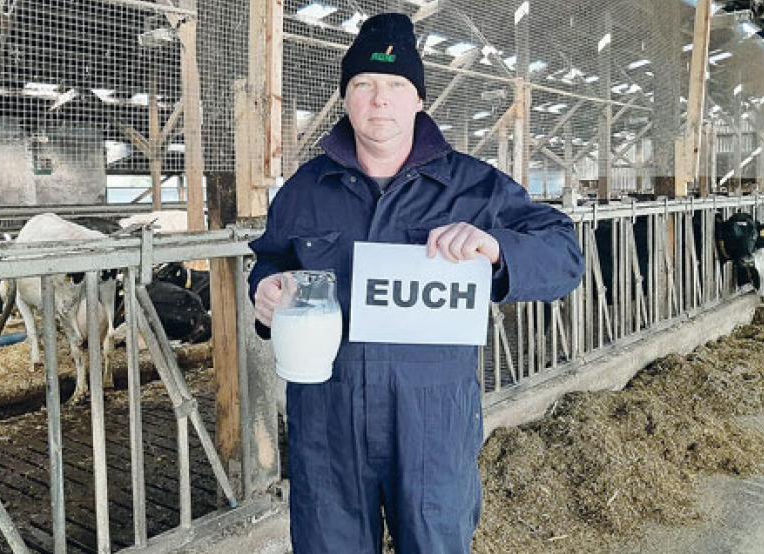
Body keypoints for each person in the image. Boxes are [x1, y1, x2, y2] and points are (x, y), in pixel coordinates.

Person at [248, 12, 584, 553]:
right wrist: (264, 293)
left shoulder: (474, 188)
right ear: (346, 98)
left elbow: (566, 256)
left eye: (395, 86)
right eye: (363, 85)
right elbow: (269, 262)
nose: (379, 99)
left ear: (419, 99)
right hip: (327, 418)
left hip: (433, 420)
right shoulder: (305, 191)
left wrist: (496, 247)